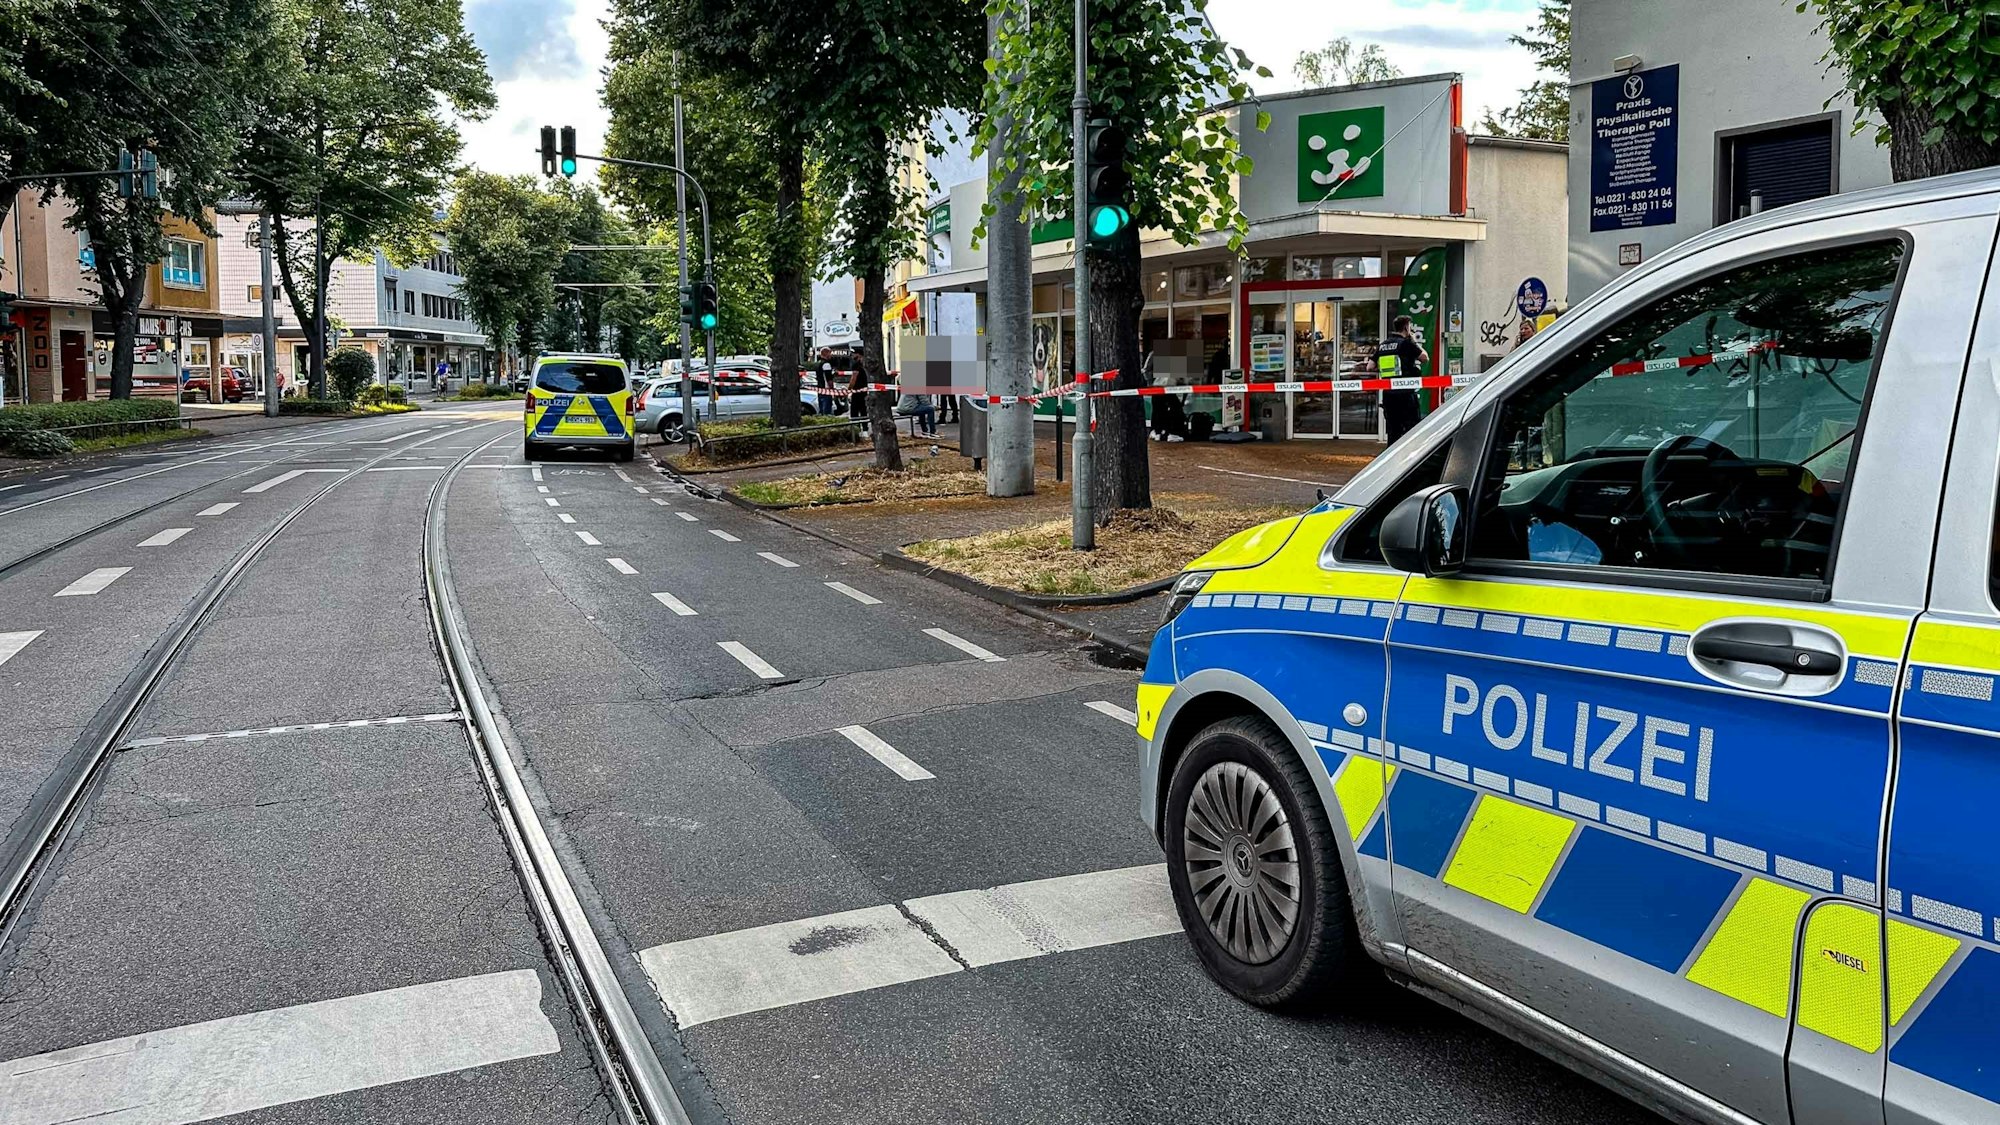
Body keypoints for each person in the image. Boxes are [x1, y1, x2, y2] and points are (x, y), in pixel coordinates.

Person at [1376, 314, 1429, 442]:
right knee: (1411, 431)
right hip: (1406, 395)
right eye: (1410, 327)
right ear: (1406, 327)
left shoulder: (1383, 345)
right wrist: (1414, 341)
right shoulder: (1406, 343)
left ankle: (1391, 459)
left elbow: (1370, 366)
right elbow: (1424, 358)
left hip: (1389, 395)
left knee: (1393, 432)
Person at [815, 347, 836, 414]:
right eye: (830, 353)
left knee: (821, 408)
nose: (831, 355)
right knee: (827, 409)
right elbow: (829, 378)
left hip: (820, 388)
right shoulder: (826, 364)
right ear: (826, 353)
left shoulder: (818, 363)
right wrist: (832, 389)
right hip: (826, 389)